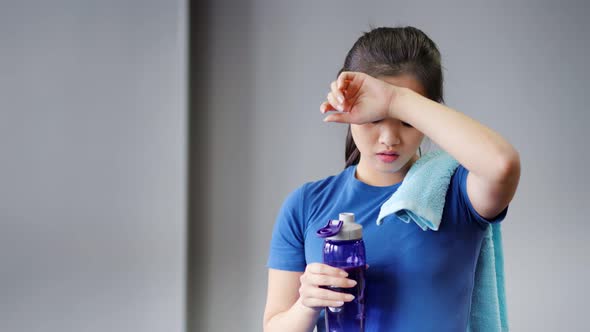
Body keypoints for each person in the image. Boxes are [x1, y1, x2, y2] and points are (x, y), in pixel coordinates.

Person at [262, 26, 521, 332]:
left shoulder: (458, 193)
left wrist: (393, 98)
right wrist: (306, 305)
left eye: (407, 120)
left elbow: (502, 165)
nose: (389, 138)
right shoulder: (306, 205)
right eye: (374, 118)